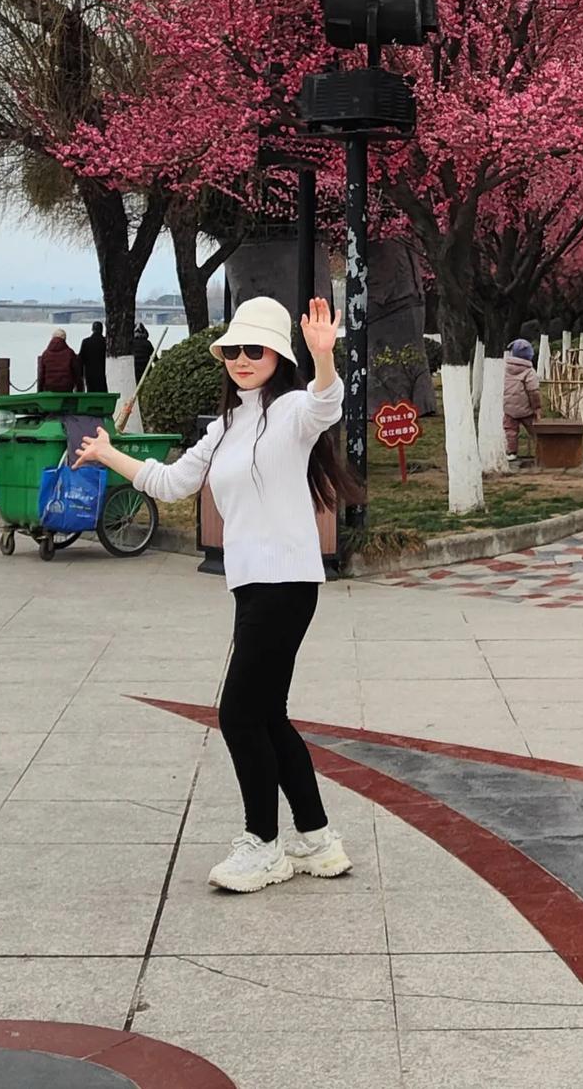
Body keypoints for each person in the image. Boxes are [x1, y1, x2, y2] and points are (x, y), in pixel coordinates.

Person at [76, 296, 361, 893]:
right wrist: (107, 454)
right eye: (231, 350)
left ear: (278, 355)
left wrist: (324, 358)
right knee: (267, 714)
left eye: (253, 349)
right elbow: (171, 482)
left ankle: (263, 846)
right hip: (252, 584)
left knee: (237, 714)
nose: (240, 359)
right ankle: (316, 838)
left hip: (287, 582)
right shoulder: (225, 427)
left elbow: (327, 404)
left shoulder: (291, 411)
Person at [502, 338, 541, 459]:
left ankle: (511, 452)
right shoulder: (529, 371)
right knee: (535, 430)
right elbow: (533, 391)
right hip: (526, 409)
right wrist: (537, 408)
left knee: (510, 431)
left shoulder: (504, 368)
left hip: (508, 407)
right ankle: (541, 450)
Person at [36, 327, 82, 393]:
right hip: (66, 387)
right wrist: (79, 390)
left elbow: (41, 374)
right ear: (64, 339)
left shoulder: (45, 354)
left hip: (49, 387)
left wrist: (39, 391)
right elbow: (77, 373)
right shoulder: (70, 353)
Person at [78, 322, 108, 393]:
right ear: (102, 330)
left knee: (91, 392)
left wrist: (80, 375)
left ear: (92, 329)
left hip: (89, 374)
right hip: (103, 373)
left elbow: (81, 359)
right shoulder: (106, 341)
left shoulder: (86, 342)